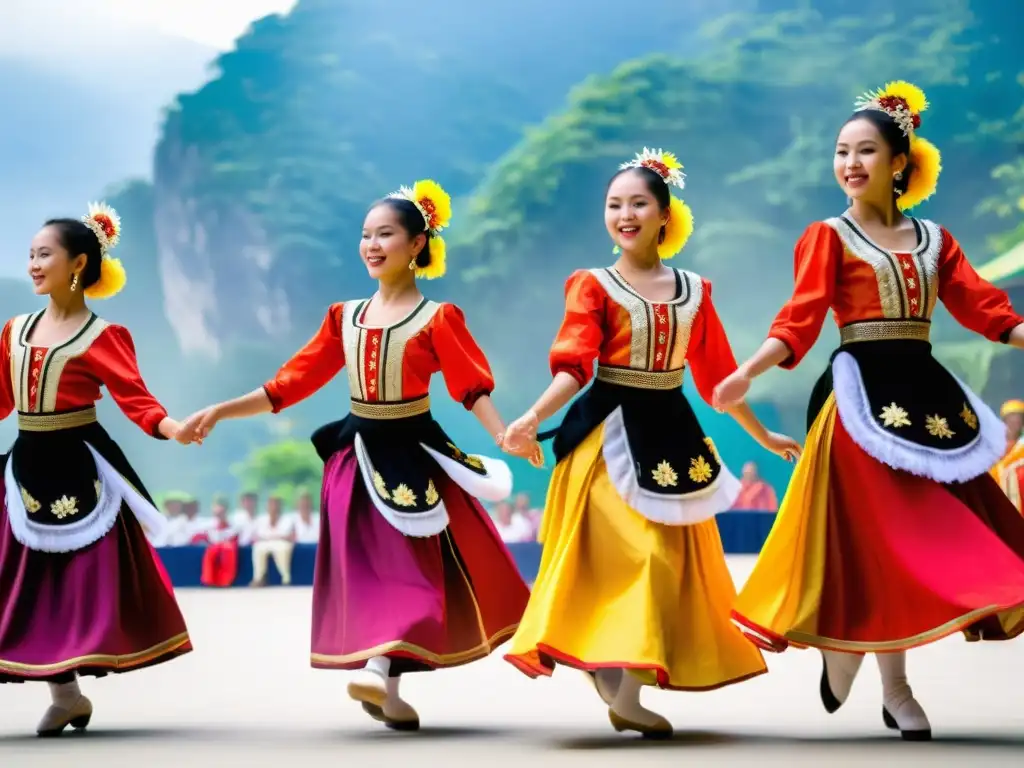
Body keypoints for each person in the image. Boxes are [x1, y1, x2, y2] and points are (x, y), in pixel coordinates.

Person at [712, 81, 1024, 741]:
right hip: (859, 405)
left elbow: (985, 307)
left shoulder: (935, 240)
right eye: (841, 152)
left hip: (927, 398)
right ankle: (891, 683)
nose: (850, 164)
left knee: (931, 539)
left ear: (901, 163)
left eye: (865, 151)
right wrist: (746, 371)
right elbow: (799, 320)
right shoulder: (829, 235)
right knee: (885, 543)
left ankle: (865, 664)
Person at [177, 179, 532, 731]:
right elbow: (287, 385)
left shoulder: (438, 318)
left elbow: (472, 388)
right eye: (365, 235)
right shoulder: (344, 317)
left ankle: (379, 666)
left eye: (385, 234)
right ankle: (384, 682)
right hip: (354, 461)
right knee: (373, 571)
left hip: (415, 457)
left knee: (411, 566)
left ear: (417, 244)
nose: (371, 245)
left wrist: (505, 433)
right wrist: (221, 410)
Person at [501, 148, 801, 738]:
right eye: (614, 205)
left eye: (638, 203)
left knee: (662, 564)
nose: (624, 214)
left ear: (666, 214)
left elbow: (719, 378)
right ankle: (624, 685)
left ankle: (623, 684)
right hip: (605, 440)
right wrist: (531, 417)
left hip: (670, 434)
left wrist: (762, 435)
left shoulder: (693, 290)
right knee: (629, 560)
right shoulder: (592, 285)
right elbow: (574, 365)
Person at [0, 202, 192, 736]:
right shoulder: (15, 330)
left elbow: (137, 400)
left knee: (70, 582)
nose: (34, 264)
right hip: (23, 464)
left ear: (78, 263)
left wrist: (172, 427)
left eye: (45, 254)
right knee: (18, 579)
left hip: (79, 467)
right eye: (31, 255)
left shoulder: (102, 336)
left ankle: (67, 689)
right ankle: (66, 695)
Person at [251, 495, 296, 585]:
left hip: (282, 543)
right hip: (265, 543)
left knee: (282, 548)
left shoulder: (287, 519)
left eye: (276, 504)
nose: (273, 507)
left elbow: (288, 536)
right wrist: (274, 536)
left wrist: (272, 536)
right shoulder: (261, 519)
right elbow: (258, 536)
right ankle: (259, 578)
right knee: (258, 548)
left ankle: (286, 577)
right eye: (271, 504)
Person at [990, 400, 1024, 512]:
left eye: (1019, 418)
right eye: (1011, 418)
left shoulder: (1021, 447)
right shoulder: (993, 447)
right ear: (1004, 421)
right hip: (995, 498)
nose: (1015, 422)